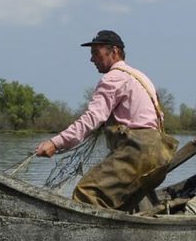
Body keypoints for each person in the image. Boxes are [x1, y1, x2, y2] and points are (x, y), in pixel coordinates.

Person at [35, 30, 177, 211]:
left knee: (87, 192)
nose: (92, 59)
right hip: (160, 156)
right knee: (122, 204)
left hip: (137, 153)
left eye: (96, 53)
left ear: (114, 52)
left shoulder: (113, 78)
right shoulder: (141, 77)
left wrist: (55, 143)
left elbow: (92, 118)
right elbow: (158, 119)